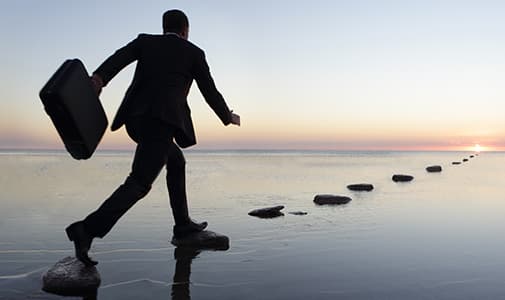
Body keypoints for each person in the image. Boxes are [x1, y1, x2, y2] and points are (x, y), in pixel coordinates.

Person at [65, 9, 240, 266]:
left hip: (136, 120)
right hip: (162, 121)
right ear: (185, 30)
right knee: (139, 183)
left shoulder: (146, 42)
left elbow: (119, 57)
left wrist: (99, 79)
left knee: (176, 161)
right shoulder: (193, 53)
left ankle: (182, 225)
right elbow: (209, 91)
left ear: (164, 28)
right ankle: (87, 230)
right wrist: (228, 116)